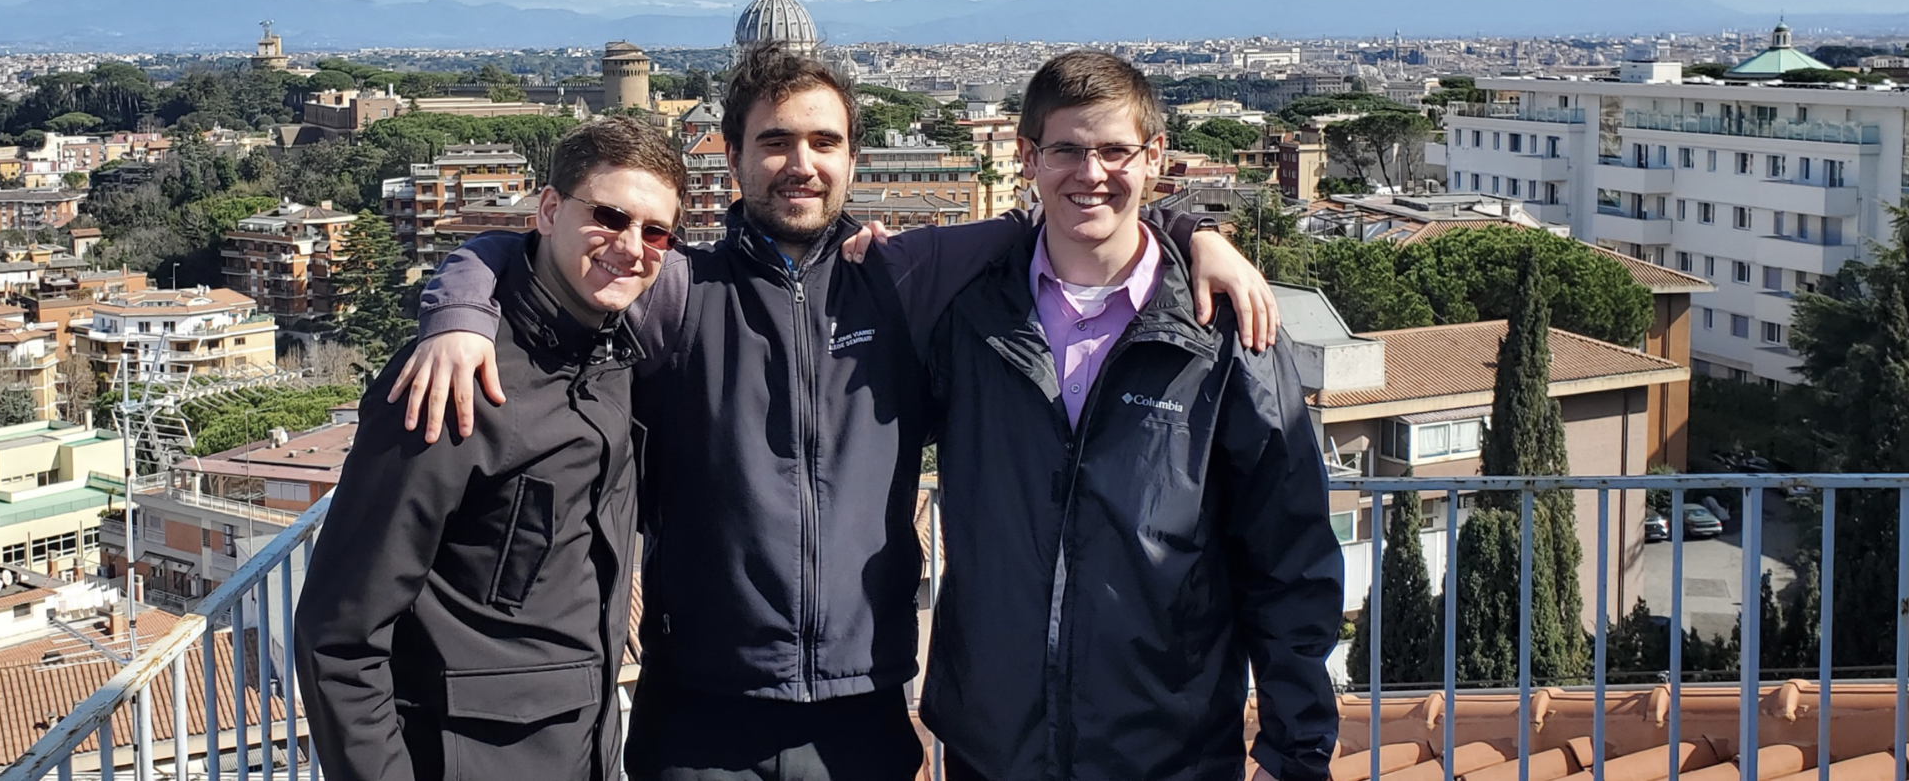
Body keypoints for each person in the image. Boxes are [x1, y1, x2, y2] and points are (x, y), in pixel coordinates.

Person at [396, 43, 1283, 781]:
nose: (802, 162)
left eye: (825, 140)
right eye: (775, 140)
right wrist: (460, 311)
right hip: (702, 712)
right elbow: (530, 247)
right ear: (732, 156)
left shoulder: (902, 276)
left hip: (862, 712)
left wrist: (1195, 233)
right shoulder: (680, 290)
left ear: (853, 157)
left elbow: (1079, 204)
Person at [922, 51, 1340, 781]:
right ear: (1028, 158)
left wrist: (1295, 754)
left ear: (1154, 158)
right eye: (1067, 149)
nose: (1091, 172)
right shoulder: (967, 317)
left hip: (1169, 755)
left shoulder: (1225, 330)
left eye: (1115, 150)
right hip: (993, 753)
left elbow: (1287, 552)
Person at [290, 116, 688, 781]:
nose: (630, 246)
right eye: (609, 216)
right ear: (550, 210)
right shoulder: (450, 379)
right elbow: (339, 634)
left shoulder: (617, 360)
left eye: (655, 232)